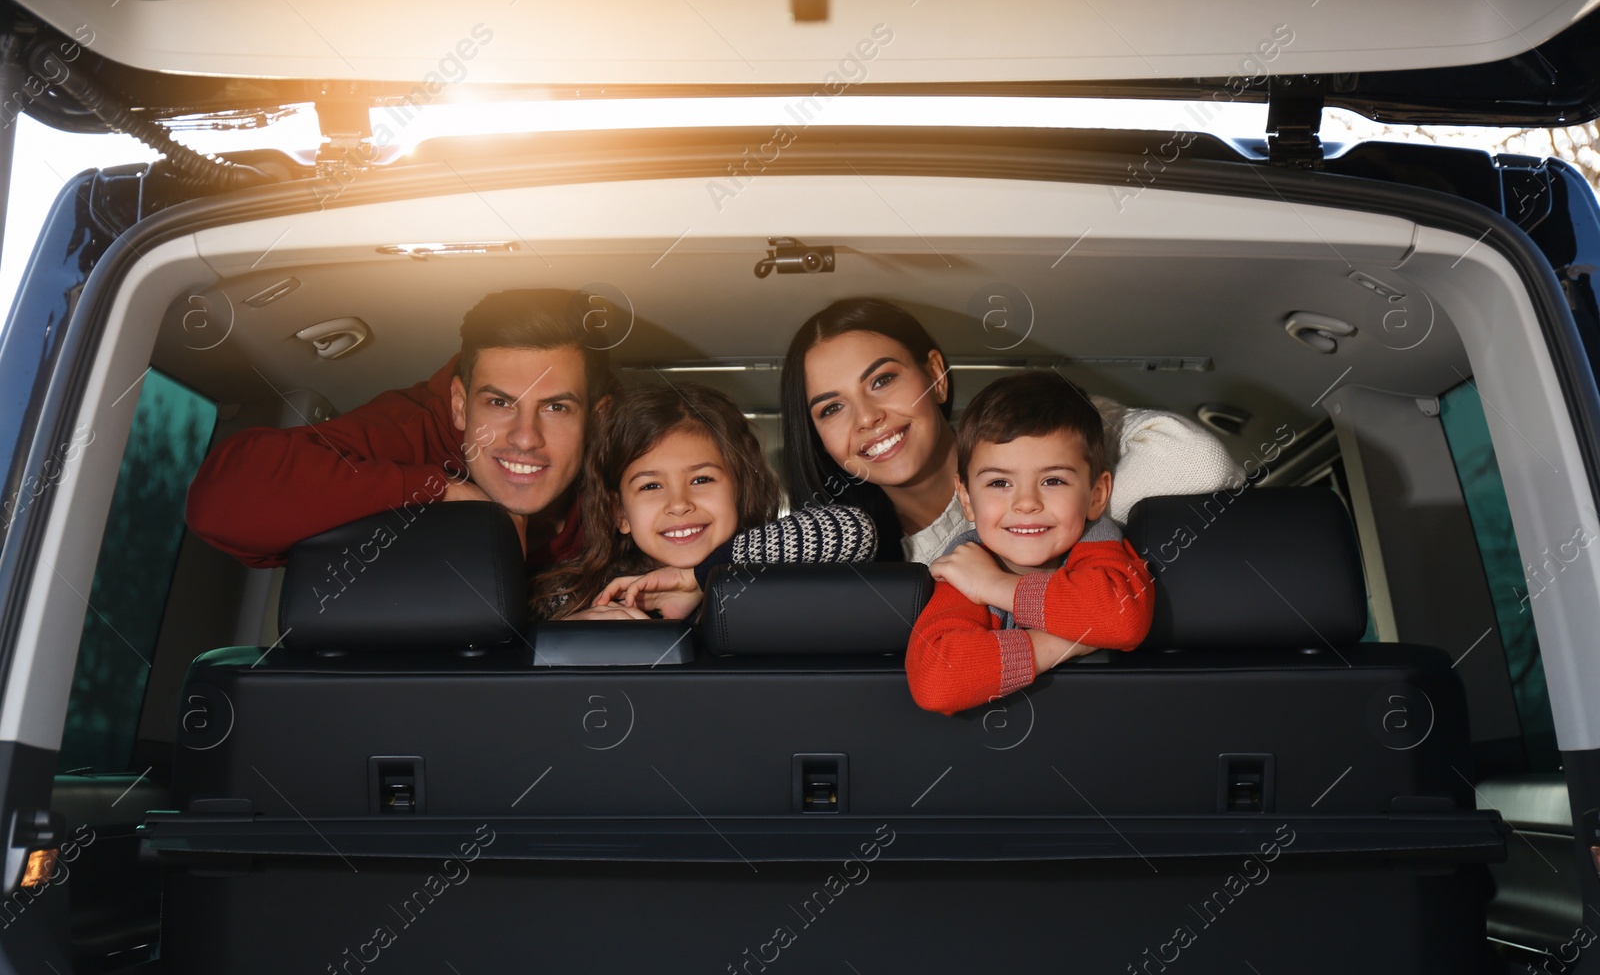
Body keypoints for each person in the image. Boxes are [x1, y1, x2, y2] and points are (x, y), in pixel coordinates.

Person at [780, 297, 1245, 563]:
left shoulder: (1039, 427)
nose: (866, 418)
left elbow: (1197, 463)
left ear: (937, 376)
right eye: (831, 408)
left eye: (882, 381)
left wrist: (1065, 509)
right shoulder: (840, 556)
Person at [185, 288, 609, 572]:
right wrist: (443, 491)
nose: (524, 437)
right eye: (499, 403)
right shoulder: (411, 431)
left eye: (555, 407)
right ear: (460, 405)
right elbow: (222, 502)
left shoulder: (635, 466)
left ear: (596, 420)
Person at [904, 372, 1155, 714]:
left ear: (1096, 495)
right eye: (999, 483)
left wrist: (997, 586)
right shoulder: (967, 566)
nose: (1026, 503)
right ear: (966, 498)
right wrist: (1066, 643)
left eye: (1053, 480)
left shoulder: (1099, 543)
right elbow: (937, 682)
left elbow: (1123, 620)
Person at [533, 381, 877, 621]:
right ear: (619, 512)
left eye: (701, 479)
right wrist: (570, 634)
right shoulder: (574, 593)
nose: (679, 504)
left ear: (739, 490)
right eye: (651, 486)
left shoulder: (769, 570)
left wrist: (702, 577)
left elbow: (854, 531)